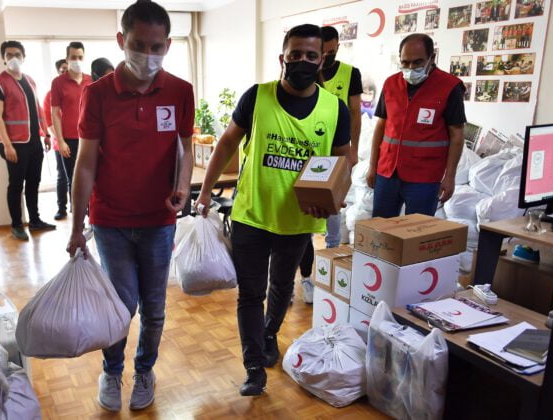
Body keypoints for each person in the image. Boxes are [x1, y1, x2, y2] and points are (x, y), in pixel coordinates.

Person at [195, 23, 354, 396]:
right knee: (250, 293)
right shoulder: (257, 97)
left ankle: (269, 334)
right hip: (251, 213)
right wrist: (204, 192)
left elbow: (343, 160)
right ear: (282, 57)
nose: (302, 61)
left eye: (310, 56)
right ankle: (253, 365)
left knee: (282, 285)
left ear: (322, 60)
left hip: (299, 218)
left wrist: (337, 193)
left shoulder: (335, 108)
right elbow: (225, 145)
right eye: (295, 54)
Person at [67, 0, 194, 412]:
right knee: (121, 305)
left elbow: (185, 148)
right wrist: (74, 226)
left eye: (157, 47)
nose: (148, 55)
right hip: (111, 221)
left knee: (154, 308)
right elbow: (85, 163)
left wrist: (182, 187)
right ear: (122, 41)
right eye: (139, 45)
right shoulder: (98, 94)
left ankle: (144, 369)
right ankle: (110, 370)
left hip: (159, 220)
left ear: (168, 45)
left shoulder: (180, 91)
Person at [295, 25, 362, 305]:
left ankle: (331, 273)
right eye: (325, 52)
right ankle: (305, 278)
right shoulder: (303, 72)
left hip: (334, 156)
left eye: (334, 51)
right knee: (303, 225)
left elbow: (356, 112)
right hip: (306, 156)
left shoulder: (350, 73)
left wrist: (353, 151)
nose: (330, 56)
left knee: (333, 217)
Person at [367, 33, 465, 218]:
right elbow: (381, 126)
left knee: (417, 233)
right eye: (405, 62)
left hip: (425, 176)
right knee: (380, 229)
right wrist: (373, 165)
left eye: (418, 62)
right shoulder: (391, 84)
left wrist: (450, 176)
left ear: (432, 58)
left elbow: (457, 134)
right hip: (388, 171)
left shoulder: (449, 87)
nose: (410, 68)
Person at [0, 40, 55, 241]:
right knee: (16, 185)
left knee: (34, 182)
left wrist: (46, 133)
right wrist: (6, 144)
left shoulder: (30, 80)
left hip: (34, 141)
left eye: (17, 54)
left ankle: (35, 220)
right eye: (9, 55)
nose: (13, 58)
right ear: (3, 58)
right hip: (15, 144)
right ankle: (17, 225)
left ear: (24, 57)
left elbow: (38, 109)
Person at [51, 42, 93, 203]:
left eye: (80, 57)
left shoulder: (91, 80)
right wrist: (60, 141)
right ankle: (78, 221)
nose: (77, 60)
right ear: (67, 59)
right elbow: (55, 113)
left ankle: (93, 220)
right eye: (73, 57)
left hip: (90, 138)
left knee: (92, 179)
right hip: (69, 139)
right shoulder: (58, 82)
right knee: (73, 181)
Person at [43, 59, 69, 220]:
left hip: (78, 140)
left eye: (68, 69)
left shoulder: (82, 88)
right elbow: (49, 120)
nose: (65, 72)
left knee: (79, 177)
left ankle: (80, 209)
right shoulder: (50, 94)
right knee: (63, 176)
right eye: (62, 70)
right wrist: (61, 139)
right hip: (60, 142)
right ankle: (62, 208)